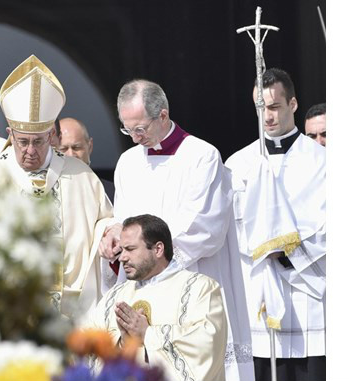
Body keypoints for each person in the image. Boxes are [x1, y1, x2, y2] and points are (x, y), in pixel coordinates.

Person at [100, 79, 254, 381]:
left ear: (163, 115)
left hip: (192, 282)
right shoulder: (127, 162)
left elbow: (203, 228)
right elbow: (125, 221)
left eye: (140, 128)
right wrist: (115, 237)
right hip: (139, 288)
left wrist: (152, 260)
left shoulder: (201, 156)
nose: (134, 138)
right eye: (127, 129)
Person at [0, 54, 114, 319]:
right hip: (10, 305)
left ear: (51, 136)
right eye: (23, 142)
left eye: (39, 141)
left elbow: (103, 222)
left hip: (74, 308)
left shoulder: (80, 175)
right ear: (9, 134)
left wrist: (108, 233)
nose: (30, 151)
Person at [225, 68, 325, 381]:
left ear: (293, 104)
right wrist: (260, 244)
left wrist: (287, 252)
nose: (267, 117)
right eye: (260, 108)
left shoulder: (323, 161)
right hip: (258, 293)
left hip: (309, 294)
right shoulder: (238, 163)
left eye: (274, 107)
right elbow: (229, 226)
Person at [85, 214, 228, 381]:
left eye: (130, 249)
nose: (122, 257)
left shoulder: (200, 288)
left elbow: (206, 346)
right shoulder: (115, 296)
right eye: (122, 249)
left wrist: (146, 334)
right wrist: (122, 343)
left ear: (158, 249)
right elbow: (88, 343)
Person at [58, 117, 115, 203]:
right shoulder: (41, 197)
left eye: (76, 148)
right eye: (63, 149)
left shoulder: (111, 194)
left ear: (90, 146)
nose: (71, 155)